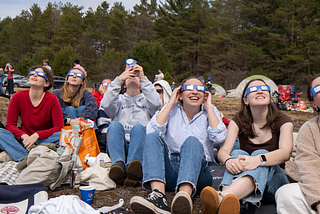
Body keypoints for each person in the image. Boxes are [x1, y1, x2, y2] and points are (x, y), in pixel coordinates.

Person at [129, 77, 227, 214]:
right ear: (180, 94)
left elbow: (220, 137)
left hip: (200, 172)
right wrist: (170, 104)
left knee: (192, 141)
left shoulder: (210, 111)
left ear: (205, 94)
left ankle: (184, 197)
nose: (194, 92)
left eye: (199, 89)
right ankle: (158, 197)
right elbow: (151, 132)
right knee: (152, 137)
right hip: (172, 168)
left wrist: (209, 107)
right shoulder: (171, 109)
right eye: (189, 89)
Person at [200, 79, 293, 214]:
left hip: (274, 184)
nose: (260, 90)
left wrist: (257, 160)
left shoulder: (283, 120)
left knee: (259, 152)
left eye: (263, 88)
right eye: (253, 89)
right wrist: (229, 161)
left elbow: (286, 152)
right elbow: (223, 151)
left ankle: (221, 199)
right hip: (245, 185)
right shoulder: (238, 120)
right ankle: (227, 203)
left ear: (269, 94)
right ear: (246, 100)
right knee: (237, 153)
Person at [100, 63, 161, 187]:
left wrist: (143, 78)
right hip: (119, 147)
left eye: (136, 76)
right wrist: (118, 80)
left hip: (139, 147)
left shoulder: (147, 101)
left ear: (142, 83)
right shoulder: (119, 100)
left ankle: (133, 168)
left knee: (139, 128)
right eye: (129, 75)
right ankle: (118, 166)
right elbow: (106, 105)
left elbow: (156, 103)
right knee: (114, 125)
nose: (133, 76)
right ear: (123, 83)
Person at [276, 74, 320, 214]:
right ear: (313, 104)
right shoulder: (309, 129)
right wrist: (318, 202)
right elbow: (309, 169)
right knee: (286, 194)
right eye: (318, 88)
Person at [0, 66, 64, 161]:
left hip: (44, 140)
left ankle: (19, 154)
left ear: (46, 83)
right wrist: (23, 136)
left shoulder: (52, 99)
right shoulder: (17, 97)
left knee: (61, 135)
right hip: (24, 140)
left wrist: (37, 135)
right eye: (32, 73)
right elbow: (10, 125)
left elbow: (59, 127)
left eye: (40, 74)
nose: (34, 75)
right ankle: (29, 156)